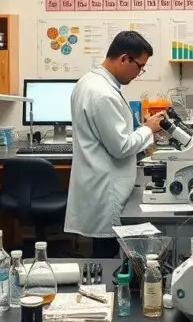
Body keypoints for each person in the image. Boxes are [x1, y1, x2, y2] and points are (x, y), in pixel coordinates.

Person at [65, 31, 166, 258]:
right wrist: (149, 128)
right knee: (107, 257)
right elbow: (120, 147)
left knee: (104, 254)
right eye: (140, 66)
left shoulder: (89, 82)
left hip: (98, 182)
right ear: (124, 59)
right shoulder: (103, 94)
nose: (139, 73)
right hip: (106, 189)